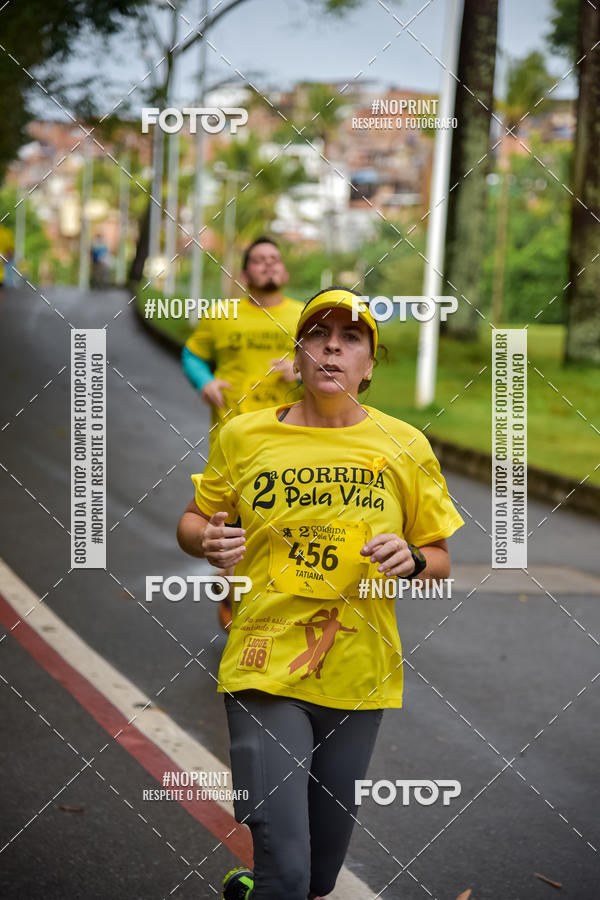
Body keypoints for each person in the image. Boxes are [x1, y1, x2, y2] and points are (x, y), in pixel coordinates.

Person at [176, 287, 464, 900]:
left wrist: (412, 559)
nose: (332, 347)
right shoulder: (244, 435)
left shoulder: (404, 445)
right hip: (263, 662)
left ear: (368, 365)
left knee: (317, 880)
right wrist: (207, 540)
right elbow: (193, 520)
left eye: (350, 337)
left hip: (359, 672)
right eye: (317, 334)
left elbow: (438, 559)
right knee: (287, 873)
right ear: (299, 354)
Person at [182, 237, 303, 629]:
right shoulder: (221, 314)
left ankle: (270, 608)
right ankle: (236, 598)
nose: (268, 264)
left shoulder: (304, 318)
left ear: (284, 271)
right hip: (234, 443)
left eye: (274, 258)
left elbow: (327, 368)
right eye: (259, 259)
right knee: (235, 531)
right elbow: (192, 353)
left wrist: (300, 371)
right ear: (245, 273)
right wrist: (204, 381)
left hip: (291, 442)